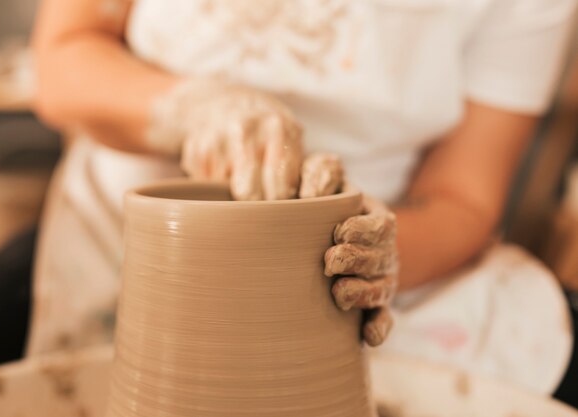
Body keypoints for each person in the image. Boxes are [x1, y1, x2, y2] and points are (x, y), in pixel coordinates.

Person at [28, 0, 576, 395]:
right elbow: (61, 60)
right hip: (140, 251)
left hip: (358, 263)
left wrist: (384, 255)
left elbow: (464, 197)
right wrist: (190, 107)